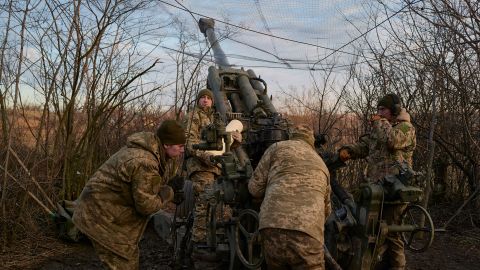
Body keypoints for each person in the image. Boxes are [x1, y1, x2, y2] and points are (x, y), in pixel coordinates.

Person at [72, 120, 186, 270]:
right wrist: (169, 192)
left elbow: (141, 188)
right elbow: (146, 206)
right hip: (100, 217)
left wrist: (163, 189)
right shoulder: (145, 161)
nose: (182, 150)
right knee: (125, 264)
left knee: (129, 259)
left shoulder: (147, 151)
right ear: (166, 144)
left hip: (104, 212)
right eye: (180, 146)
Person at [338, 93, 416, 270]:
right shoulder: (381, 127)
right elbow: (365, 146)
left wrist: (380, 122)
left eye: (383, 109)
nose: (379, 112)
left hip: (395, 191)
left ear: (394, 110)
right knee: (369, 231)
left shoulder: (405, 128)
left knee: (391, 234)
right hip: (375, 190)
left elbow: (392, 141)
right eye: (378, 109)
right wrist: (347, 151)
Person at [248, 124, 331, 270]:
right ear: (311, 140)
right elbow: (327, 211)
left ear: (290, 136)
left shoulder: (276, 148)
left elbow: (254, 189)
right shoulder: (321, 163)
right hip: (308, 233)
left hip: (271, 227)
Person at [184, 88, 241, 266]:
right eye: (203, 98)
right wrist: (207, 156)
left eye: (209, 98)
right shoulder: (194, 116)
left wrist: (237, 139)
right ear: (198, 101)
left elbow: (224, 144)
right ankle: (200, 247)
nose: (206, 100)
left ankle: (215, 241)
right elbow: (189, 143)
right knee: (205, 203)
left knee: (219, 205)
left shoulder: (216, 119)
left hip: (217, 168)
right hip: (200, 167)